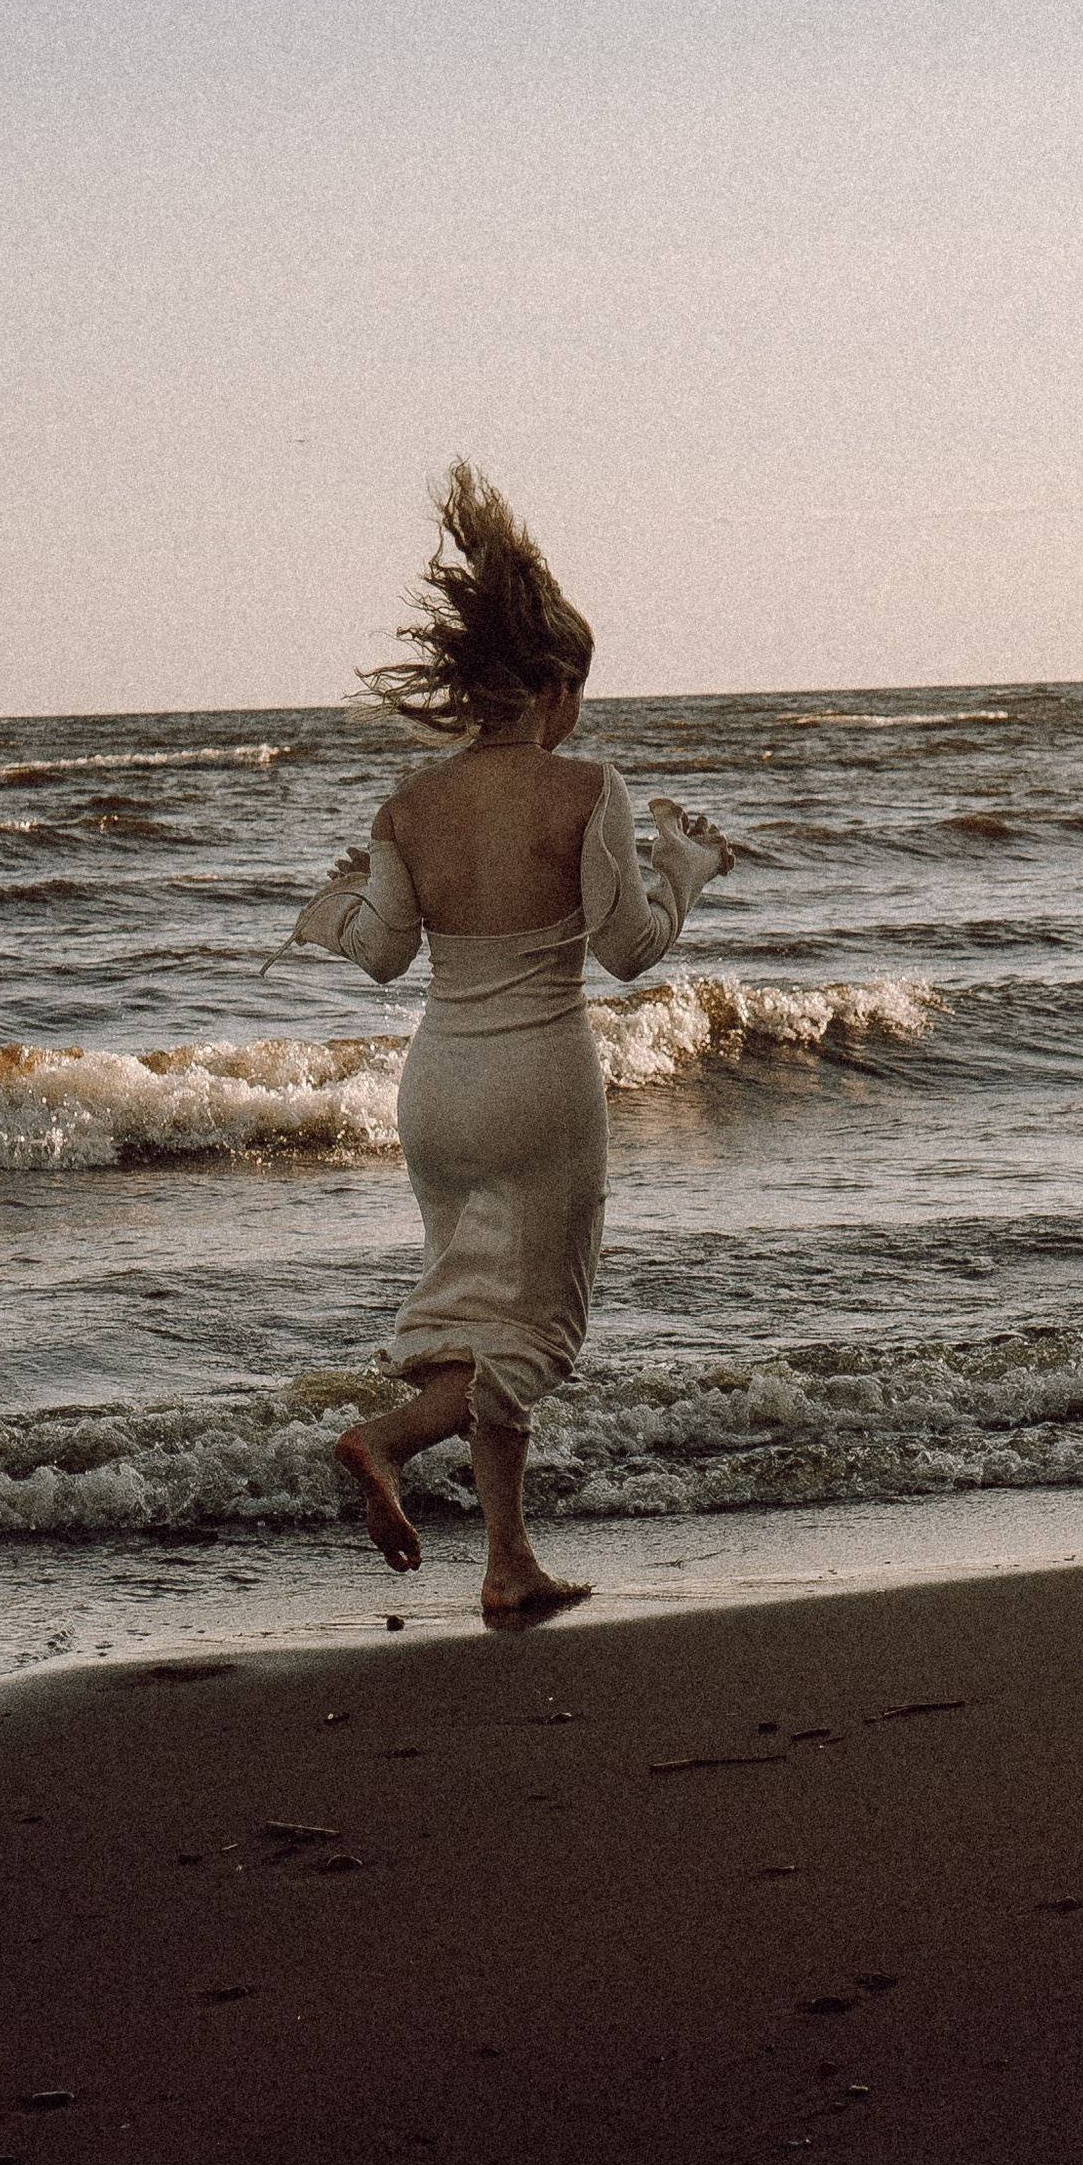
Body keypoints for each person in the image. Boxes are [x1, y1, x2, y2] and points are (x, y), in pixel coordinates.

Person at [283, 463, 732, 1623]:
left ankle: (507, 1564)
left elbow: (380, 951)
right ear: (551, 684)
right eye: (579, 688)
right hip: (538, 1083)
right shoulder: (588, 785)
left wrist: (325, 912)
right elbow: (627, 950)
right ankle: (383, 1441)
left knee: (468, 1319)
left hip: (435, 1093)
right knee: (532, 1328)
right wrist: (686, 869)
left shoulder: (407, 803)